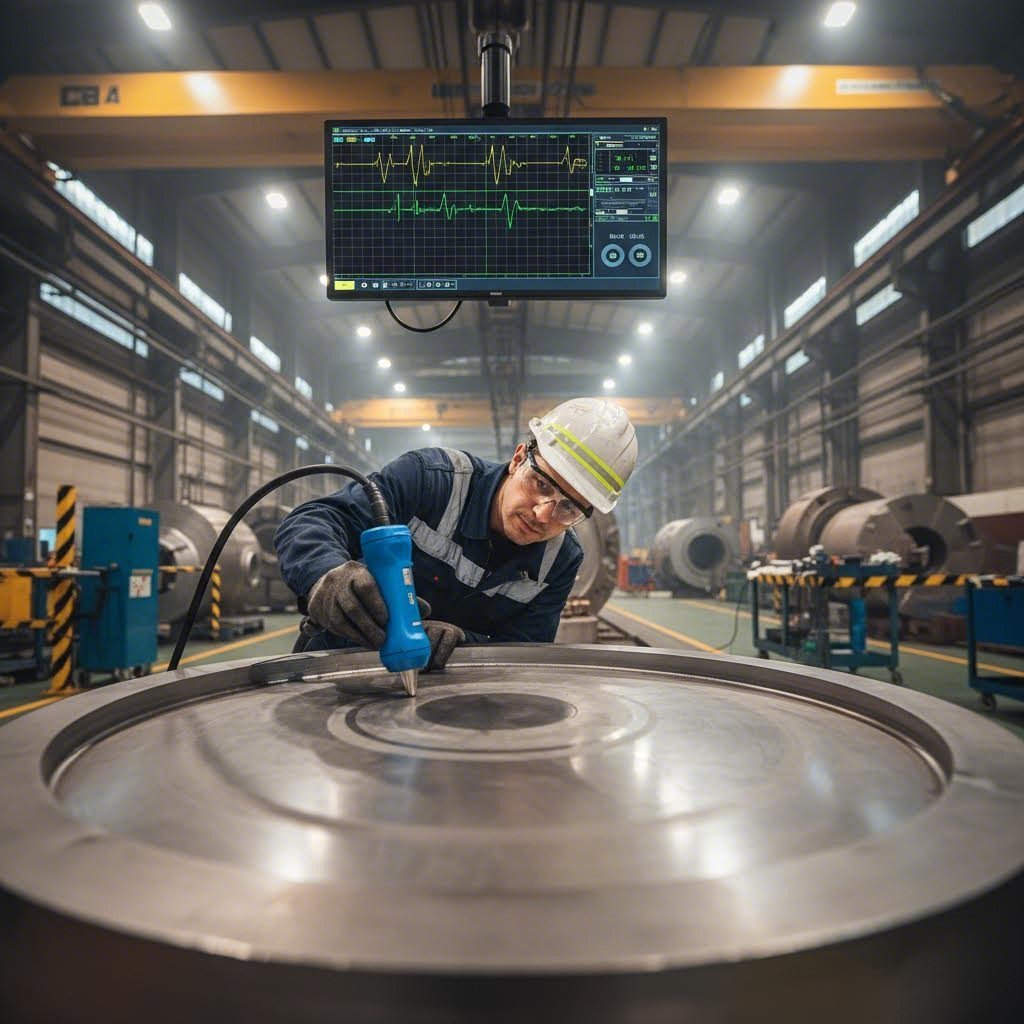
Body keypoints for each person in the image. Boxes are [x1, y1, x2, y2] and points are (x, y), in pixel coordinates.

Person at [274, 397, 638, 670]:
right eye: (541, 483)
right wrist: (325, 573)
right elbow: (316, 519)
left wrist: (462, 640)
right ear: (518, 459)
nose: (543, 514)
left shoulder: (560, 561)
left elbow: (525, 651)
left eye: (568, 508)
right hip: (342, 669)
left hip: (454, 703)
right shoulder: (429, 480)